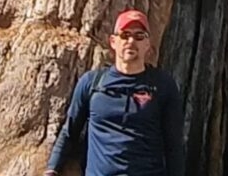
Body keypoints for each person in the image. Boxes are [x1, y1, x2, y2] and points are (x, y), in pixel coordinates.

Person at [45, 9, 185, 176]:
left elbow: (174, 145)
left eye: (139, 36)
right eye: (125, 35)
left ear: (147, 44)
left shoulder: (162, 85)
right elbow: (70, 132)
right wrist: (52, 170)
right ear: (113, 41)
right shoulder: (91, 83)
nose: (131, 41)